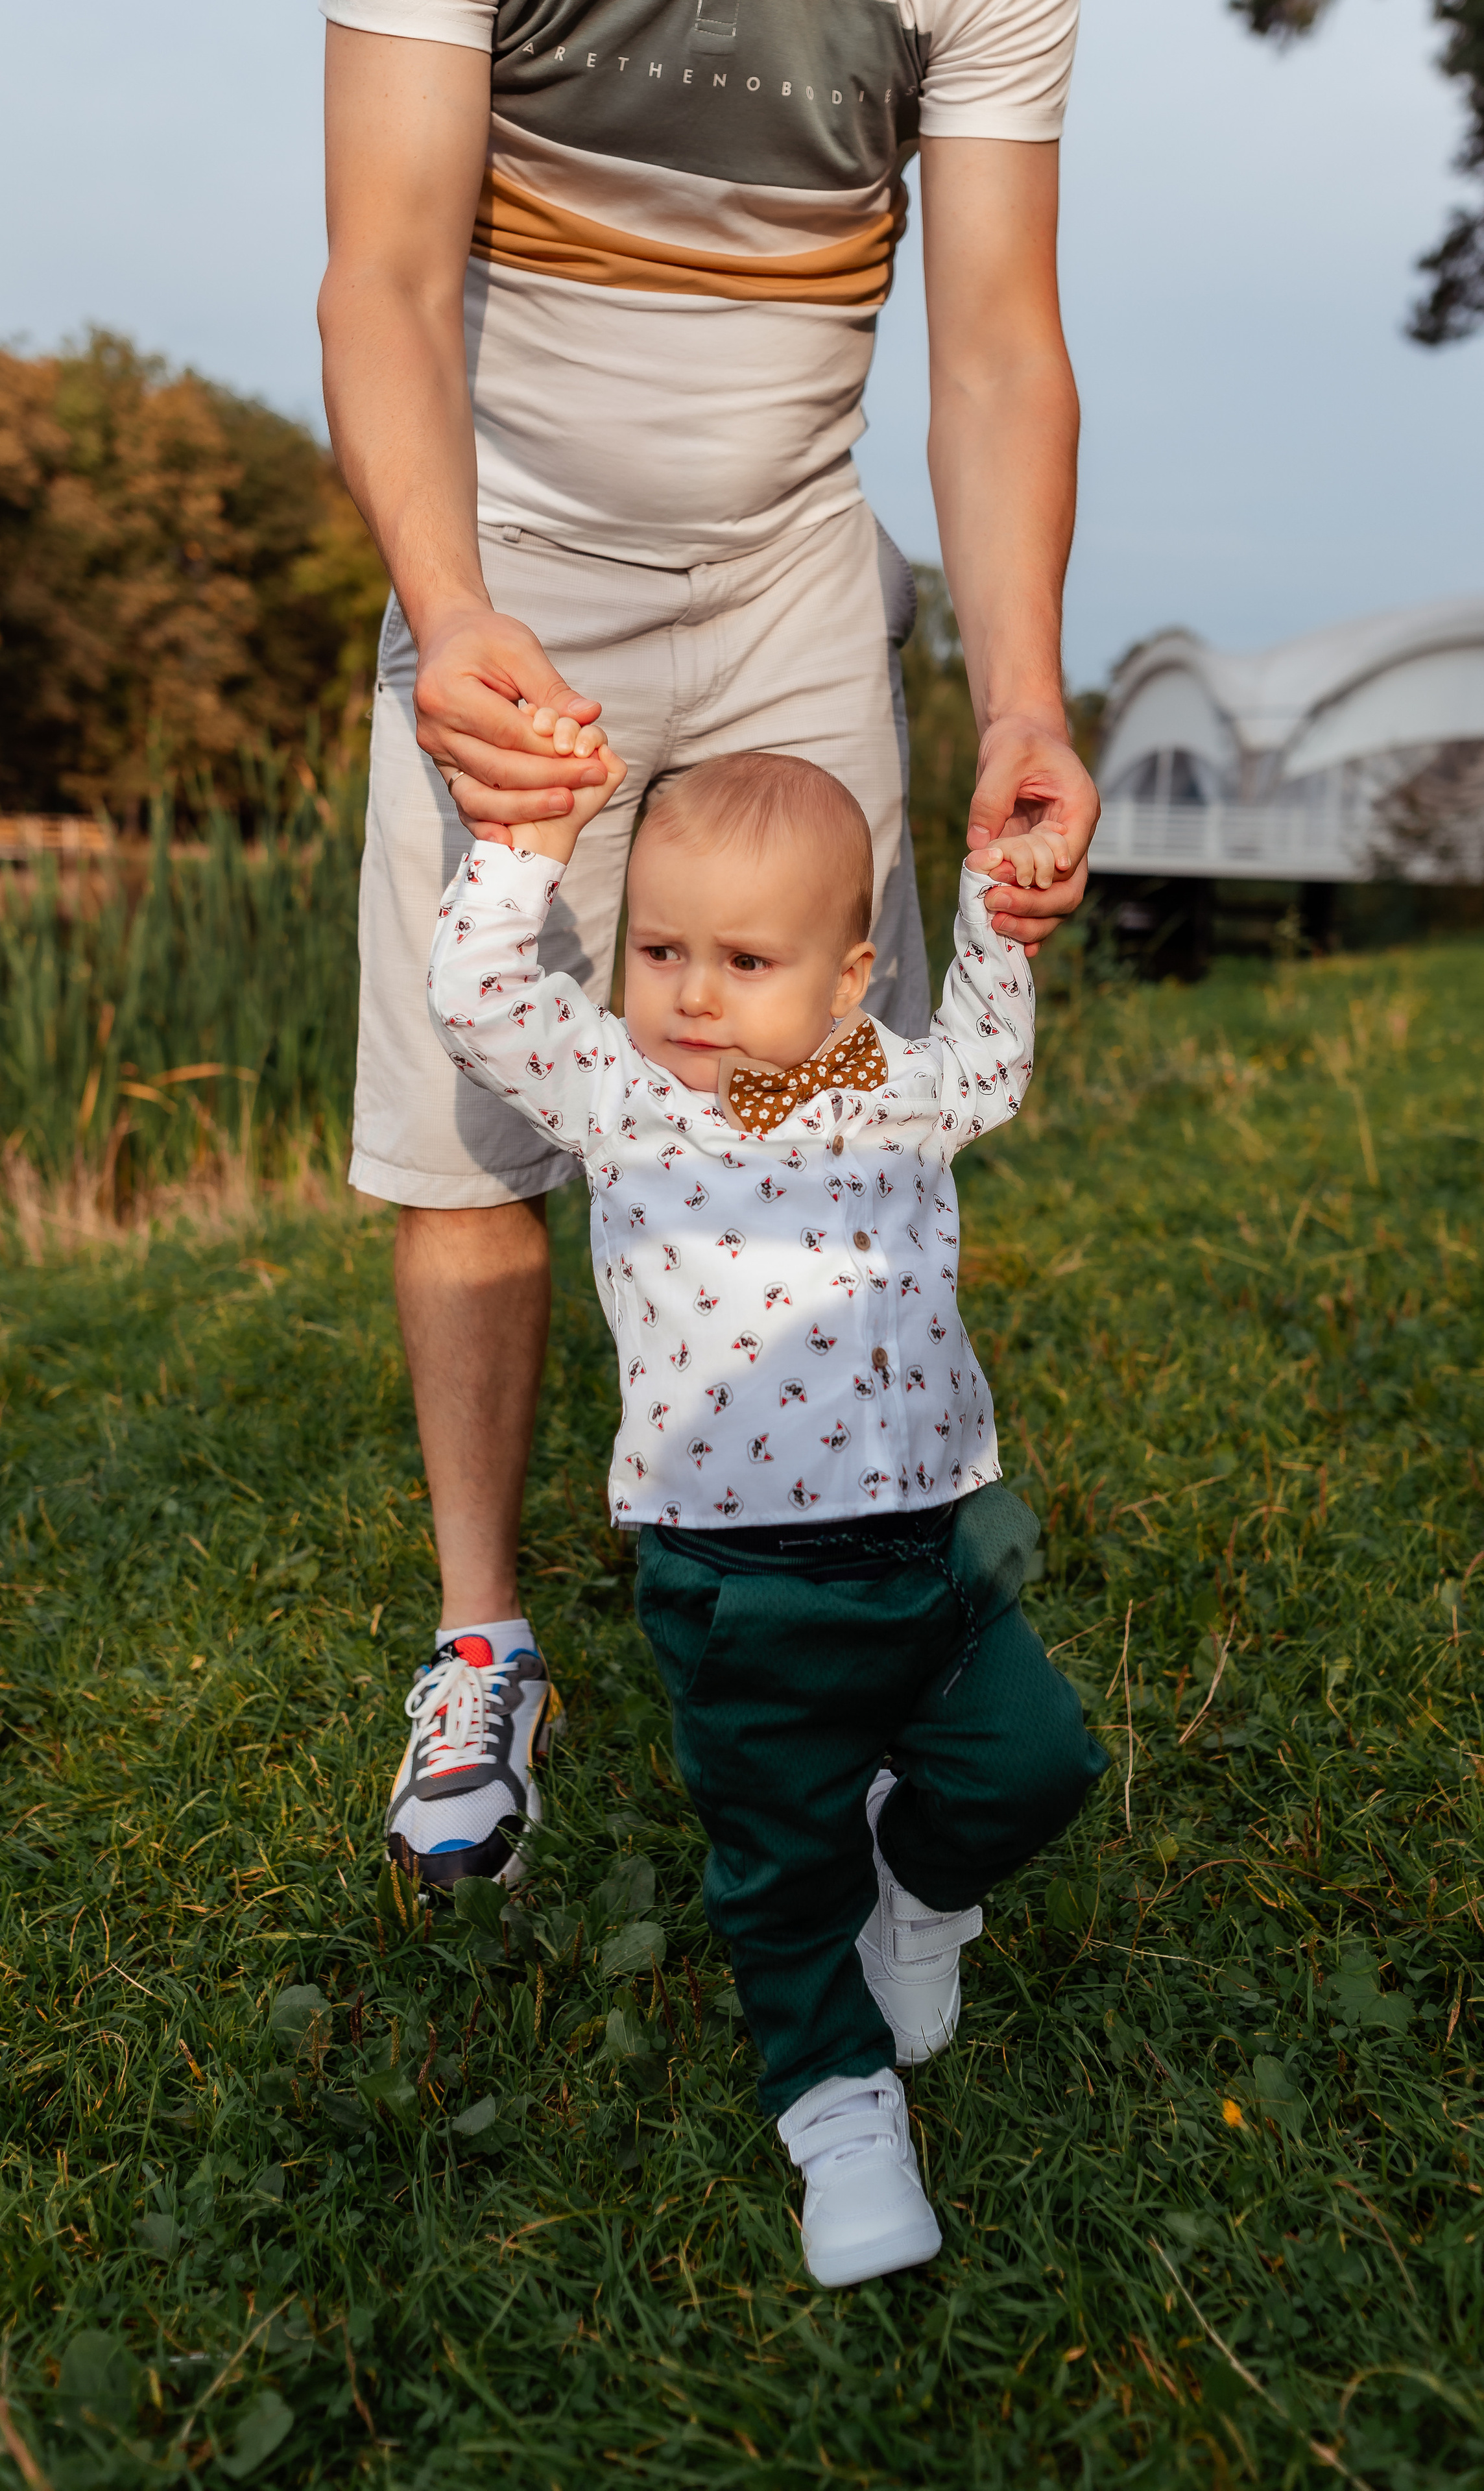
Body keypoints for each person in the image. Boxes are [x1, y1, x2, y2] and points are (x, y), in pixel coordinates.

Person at [317, 0, 1099, 1884]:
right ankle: (485, 1644)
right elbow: (389, 277)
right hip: (508, 569)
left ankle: (884, 1595)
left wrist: (1019, 705)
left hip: (790, 582)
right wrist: (447, 604)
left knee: (838, 1102)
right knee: (464, 1134)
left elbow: (994, 348)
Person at [422, 740, 1107, 2287]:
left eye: (744, 959)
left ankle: (923, 1888)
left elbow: (992, 1060)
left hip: (937, 1541)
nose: (691, 994)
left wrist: (1002, 920)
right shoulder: (616, 1094)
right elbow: (476, 1002)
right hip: (732, 1583)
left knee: (1034, 1767)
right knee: (781, 1854)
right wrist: (522, 852)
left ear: (851, 975)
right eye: (660, 950)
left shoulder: (896, 1086)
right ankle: (833, 2102)